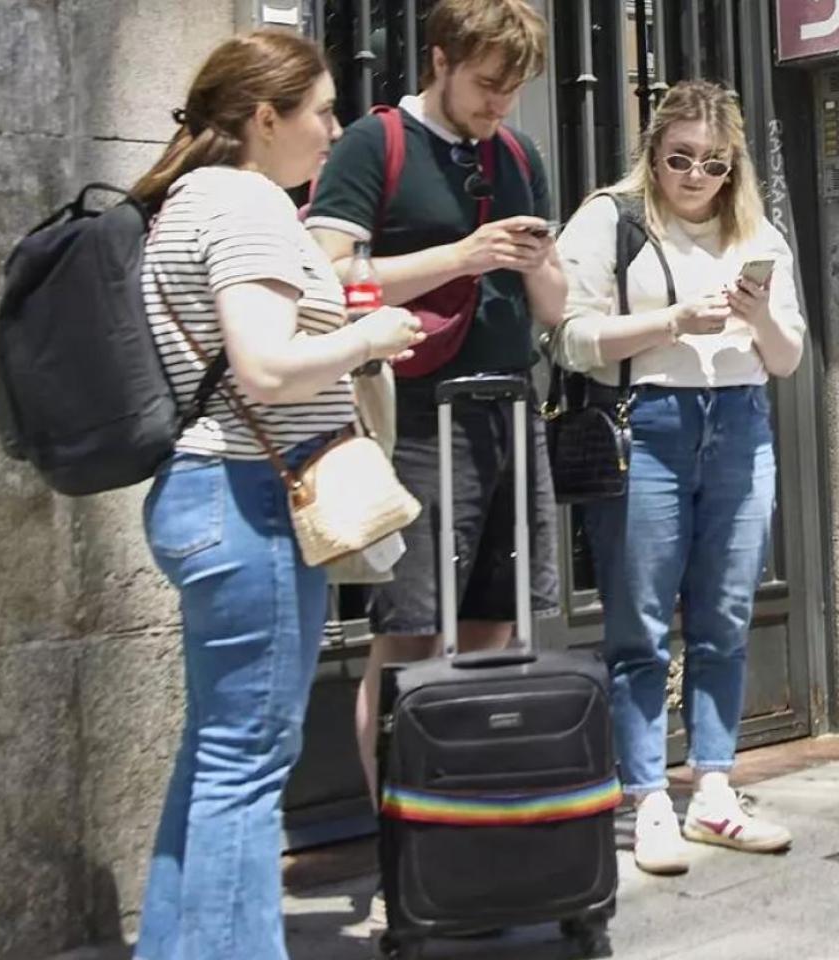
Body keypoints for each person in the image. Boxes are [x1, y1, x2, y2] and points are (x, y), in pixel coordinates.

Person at [130, 29, 424, 960]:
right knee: (247, 767)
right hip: (247, 496)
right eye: (324, 111)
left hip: (207, 494)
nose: (335, 131)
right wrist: (368, 340)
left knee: (217, 755)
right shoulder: (247, 204)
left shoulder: (188, 200)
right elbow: (264, 365)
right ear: (265, 117)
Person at [305, 0, 565, 806]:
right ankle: (405, 837)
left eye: (514, 89)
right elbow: (329, 276)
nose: (499, 104)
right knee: (408, 636)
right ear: (441, 59)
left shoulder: (518, 153)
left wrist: (534, 262)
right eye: (488, 84)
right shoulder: (373, 143)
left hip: (510, 411)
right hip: (415, 417)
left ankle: (475, 836)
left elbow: (554, 308)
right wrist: (462, 254)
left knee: (496, 626)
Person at [553, 80, 806, 875]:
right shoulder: (612, 218)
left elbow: (789, 357)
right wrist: (673, 321)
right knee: (640, 623)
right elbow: (571, 336)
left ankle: (714, 790)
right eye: (680, 159)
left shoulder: (756, 232)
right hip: (649, 423)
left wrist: (756, 312)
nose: (696, 176)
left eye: (714, 164)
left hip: (739, 422)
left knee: (725, 616)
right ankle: (646, 798)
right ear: (652, 152)